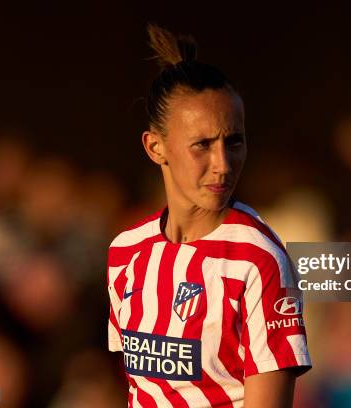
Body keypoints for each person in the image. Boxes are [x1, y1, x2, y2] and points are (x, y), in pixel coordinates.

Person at [107, 24, 311, 408]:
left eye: (234, 142)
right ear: (155, 147)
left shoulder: (259, 258)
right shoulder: (125, 253)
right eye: (202, 144)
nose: (223, 164)